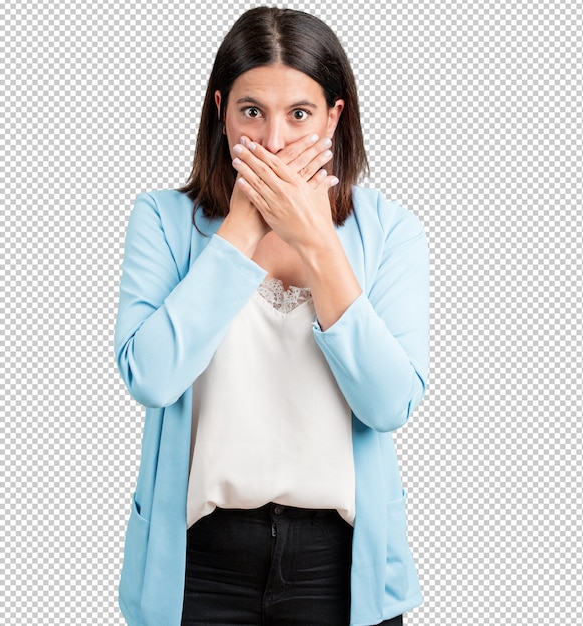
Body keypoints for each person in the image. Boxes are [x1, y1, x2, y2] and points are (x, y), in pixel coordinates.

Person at [115, 6, 428, 626]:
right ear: (220, 111)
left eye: (300, 114)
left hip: (339, 567)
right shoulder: (162, 220)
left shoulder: (390, 231)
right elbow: (150, 377)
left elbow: (390, 404)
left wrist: (315, 242)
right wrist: (241, 229)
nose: (275, 141)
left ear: (334, 116)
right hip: (197, 567)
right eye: (252, 112)